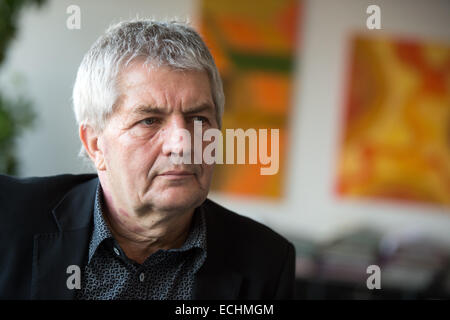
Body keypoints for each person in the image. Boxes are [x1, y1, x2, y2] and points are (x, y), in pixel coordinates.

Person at [0, 19, 295, 300]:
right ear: (95, 145)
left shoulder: (267, 261)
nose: (182, 143)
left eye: (199, 119)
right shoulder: (10, 217)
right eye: (150, 120)